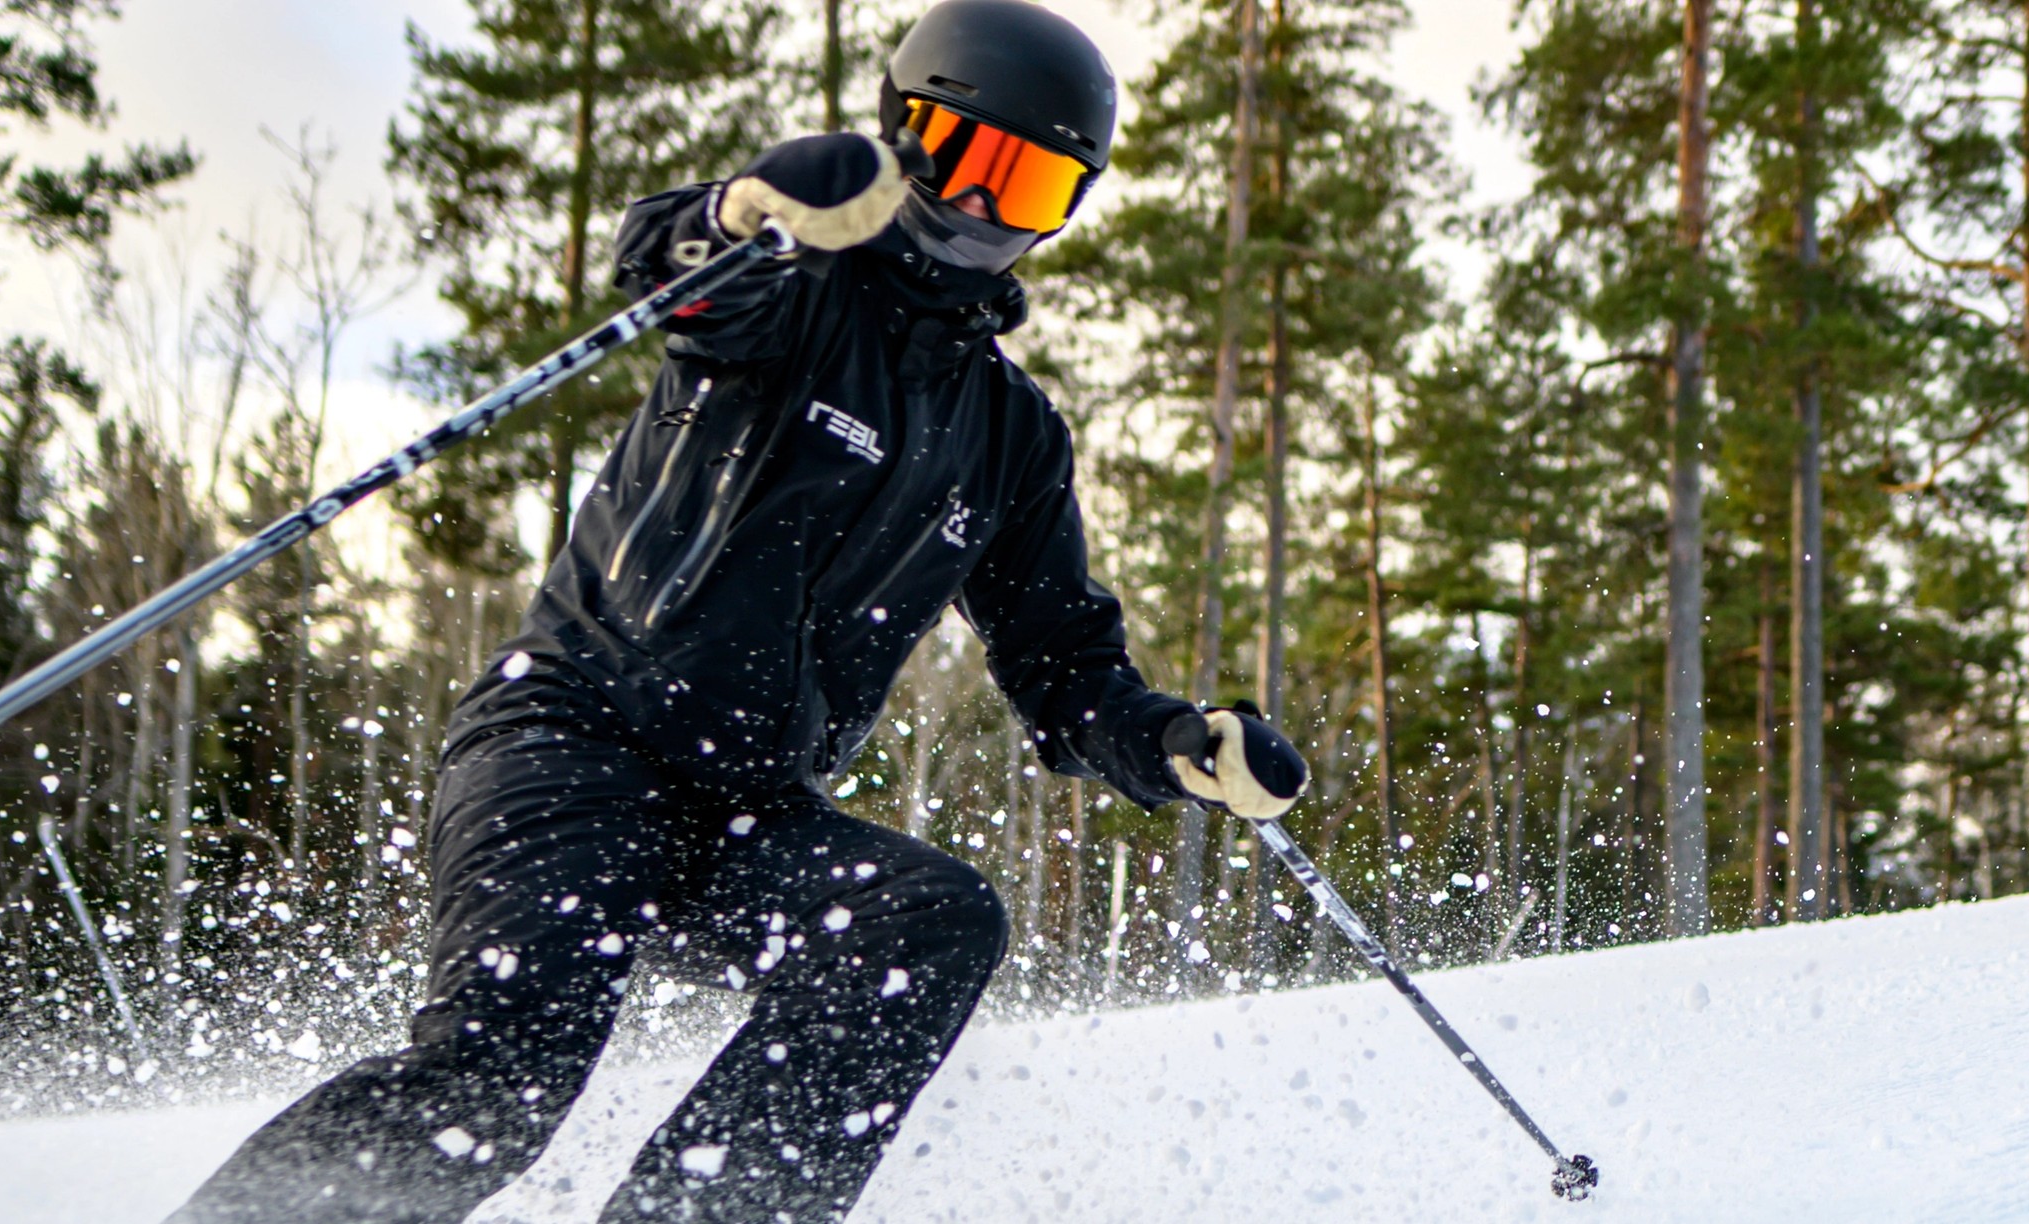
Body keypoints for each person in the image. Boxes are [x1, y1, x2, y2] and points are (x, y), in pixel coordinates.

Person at [169, 3, 1307, 1220]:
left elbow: (1064, 667)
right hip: (574, 743)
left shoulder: (1010, 434)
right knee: (498, 1088)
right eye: (964, 158)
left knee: (926, 922)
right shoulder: (796, 289)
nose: (982, 207)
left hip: (747, 806)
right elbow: (681, 279)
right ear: (902, 132)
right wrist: (739, 215)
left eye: (1027, 184)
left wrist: (1178, 745)